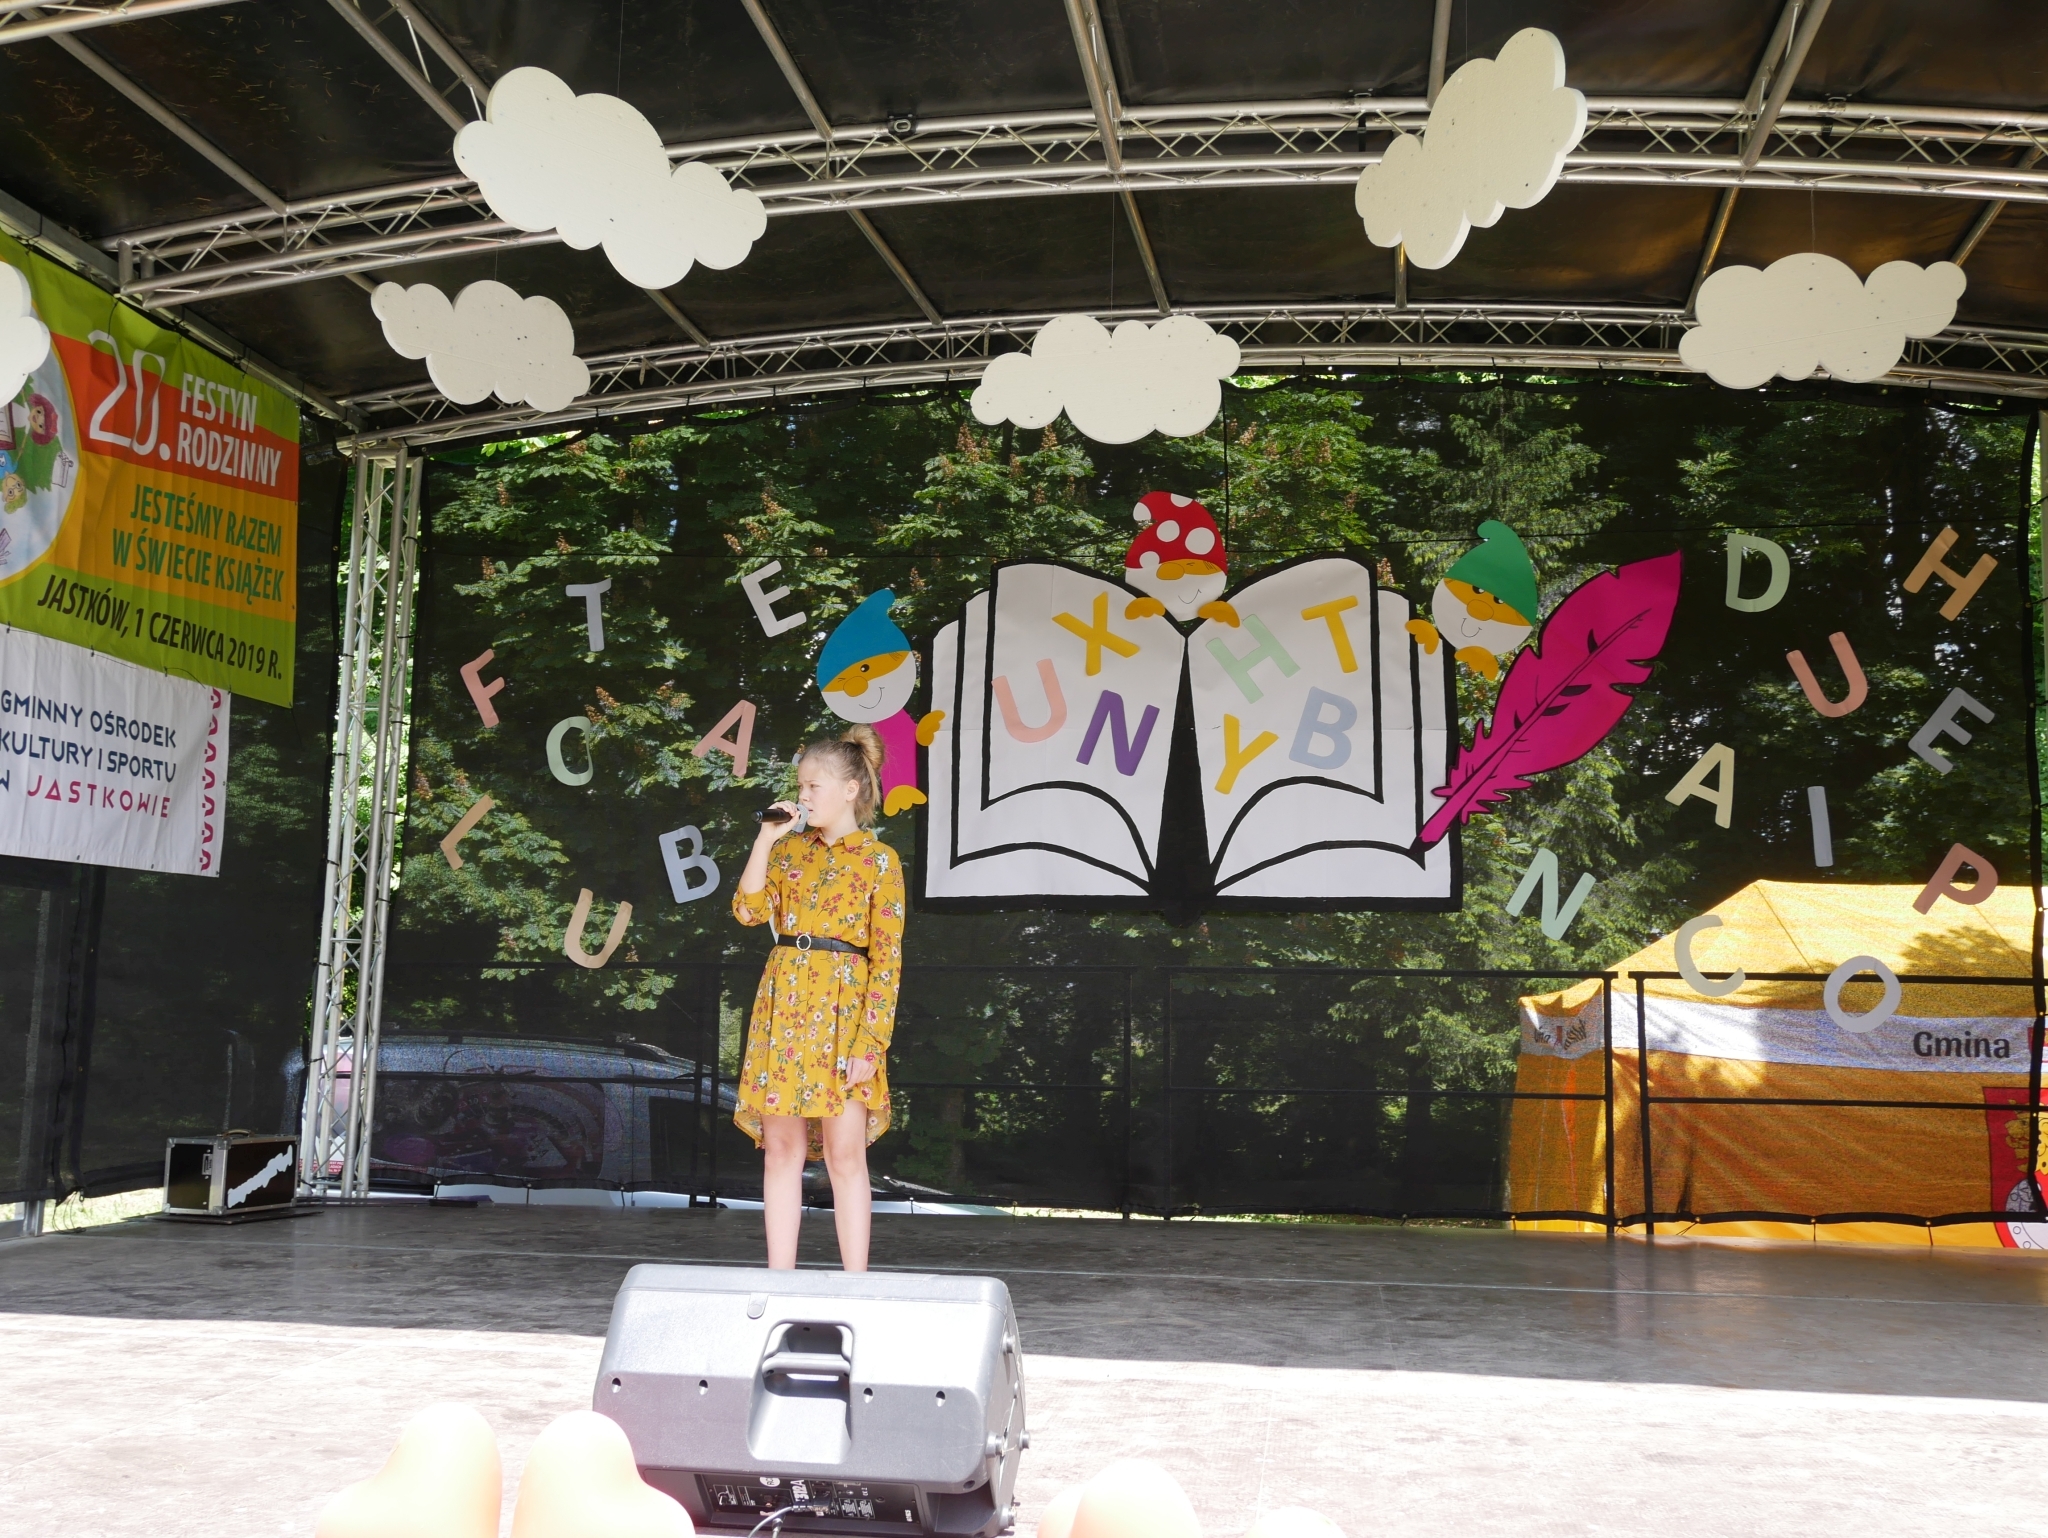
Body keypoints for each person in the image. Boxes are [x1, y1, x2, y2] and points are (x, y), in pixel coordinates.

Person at [732, 724, 904, 1270]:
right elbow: (748, 911)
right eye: (800, 786)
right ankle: (779, 1281)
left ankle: (856, 1286)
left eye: (814, 786)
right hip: (784, 1003)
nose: (803, 796)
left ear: (850, 790)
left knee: (844, 1154)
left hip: (844, 1011)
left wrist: (870, 1042)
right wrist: (765, 839)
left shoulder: (880, 860)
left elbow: (888, 961)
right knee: (781, 1150)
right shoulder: (787, 852)